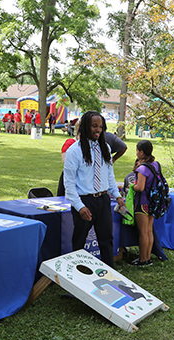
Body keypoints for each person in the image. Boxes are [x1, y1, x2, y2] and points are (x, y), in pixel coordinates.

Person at [63, 111, 126, 267]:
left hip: (103, 200)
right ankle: (77, 278)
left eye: (100, 126)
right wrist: (79, 206)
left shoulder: (105, 147)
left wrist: (117, 196)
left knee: (106, 240)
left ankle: (109, 276)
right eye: (94, 126)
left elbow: (109, 175)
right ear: (85, 127)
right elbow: (69, 183)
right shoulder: (74, 151)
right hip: (84, 202)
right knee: (79, 242)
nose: (98, 129)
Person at [129, 140, 161, 266]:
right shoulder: (155, 164)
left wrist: (133, 186)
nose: (136, 153)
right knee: (149, 231)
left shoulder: (142, 168)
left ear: (141, 152)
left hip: (142, 203)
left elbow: (140, 187)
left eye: (137, 150)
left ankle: (142, 259)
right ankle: (147, 257)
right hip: (153, 202)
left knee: (143, 232)